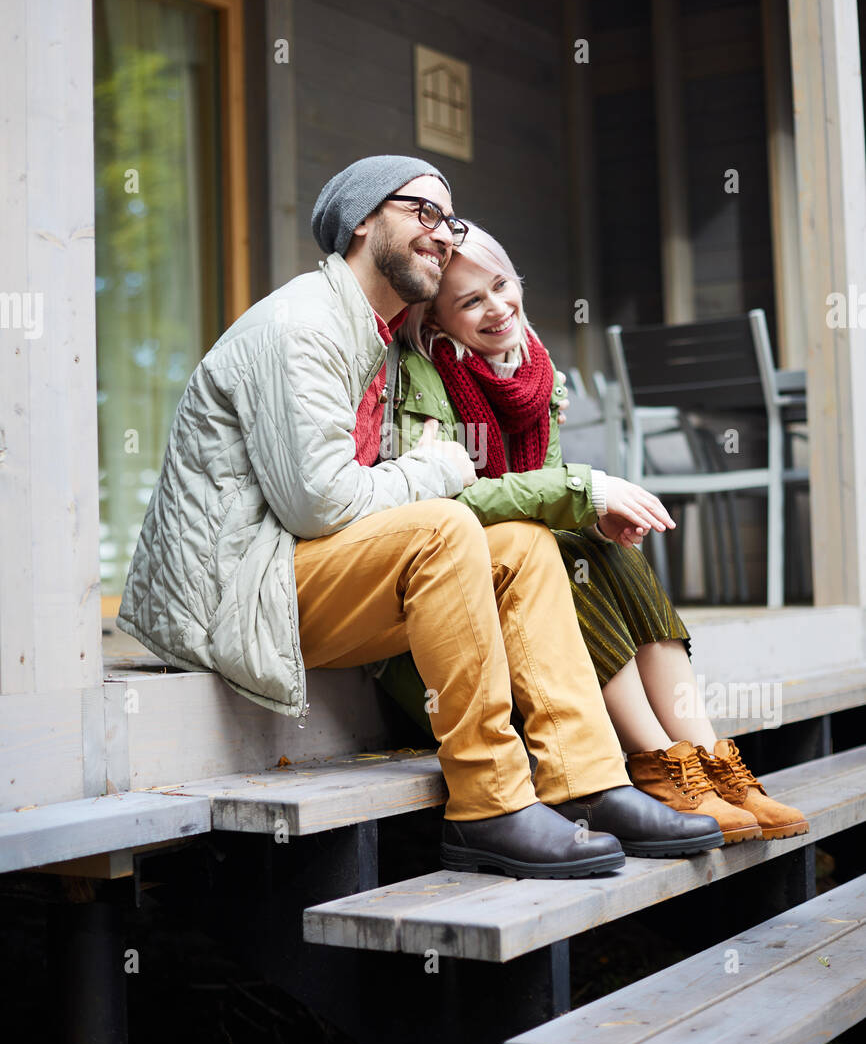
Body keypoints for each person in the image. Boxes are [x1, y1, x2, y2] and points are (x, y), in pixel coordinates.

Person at [116, 155, 727, 882]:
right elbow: (321, 505)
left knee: (524, 544)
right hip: (241, 591)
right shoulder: (303, 325)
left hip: (304, 574)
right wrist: (438, 470)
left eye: (451, 218)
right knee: (445, 526)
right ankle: (491, 805)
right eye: (422, 213)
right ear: (362, 221)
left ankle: (589, 783)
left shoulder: (382, 337)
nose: (442, 234)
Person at [375, 222, 809, 843]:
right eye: (471, 301)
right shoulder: (423, 378)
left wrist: (591, 509)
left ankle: (705, 757)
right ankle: (656, 761)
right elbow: (453, 504)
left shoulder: (533, 371)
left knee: (605, 548)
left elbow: (542, 496)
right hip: (455, 622)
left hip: (520, 593)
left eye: (501, 286)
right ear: (438, 322)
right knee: (554, 549)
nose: (497, 307)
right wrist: (584, 492)